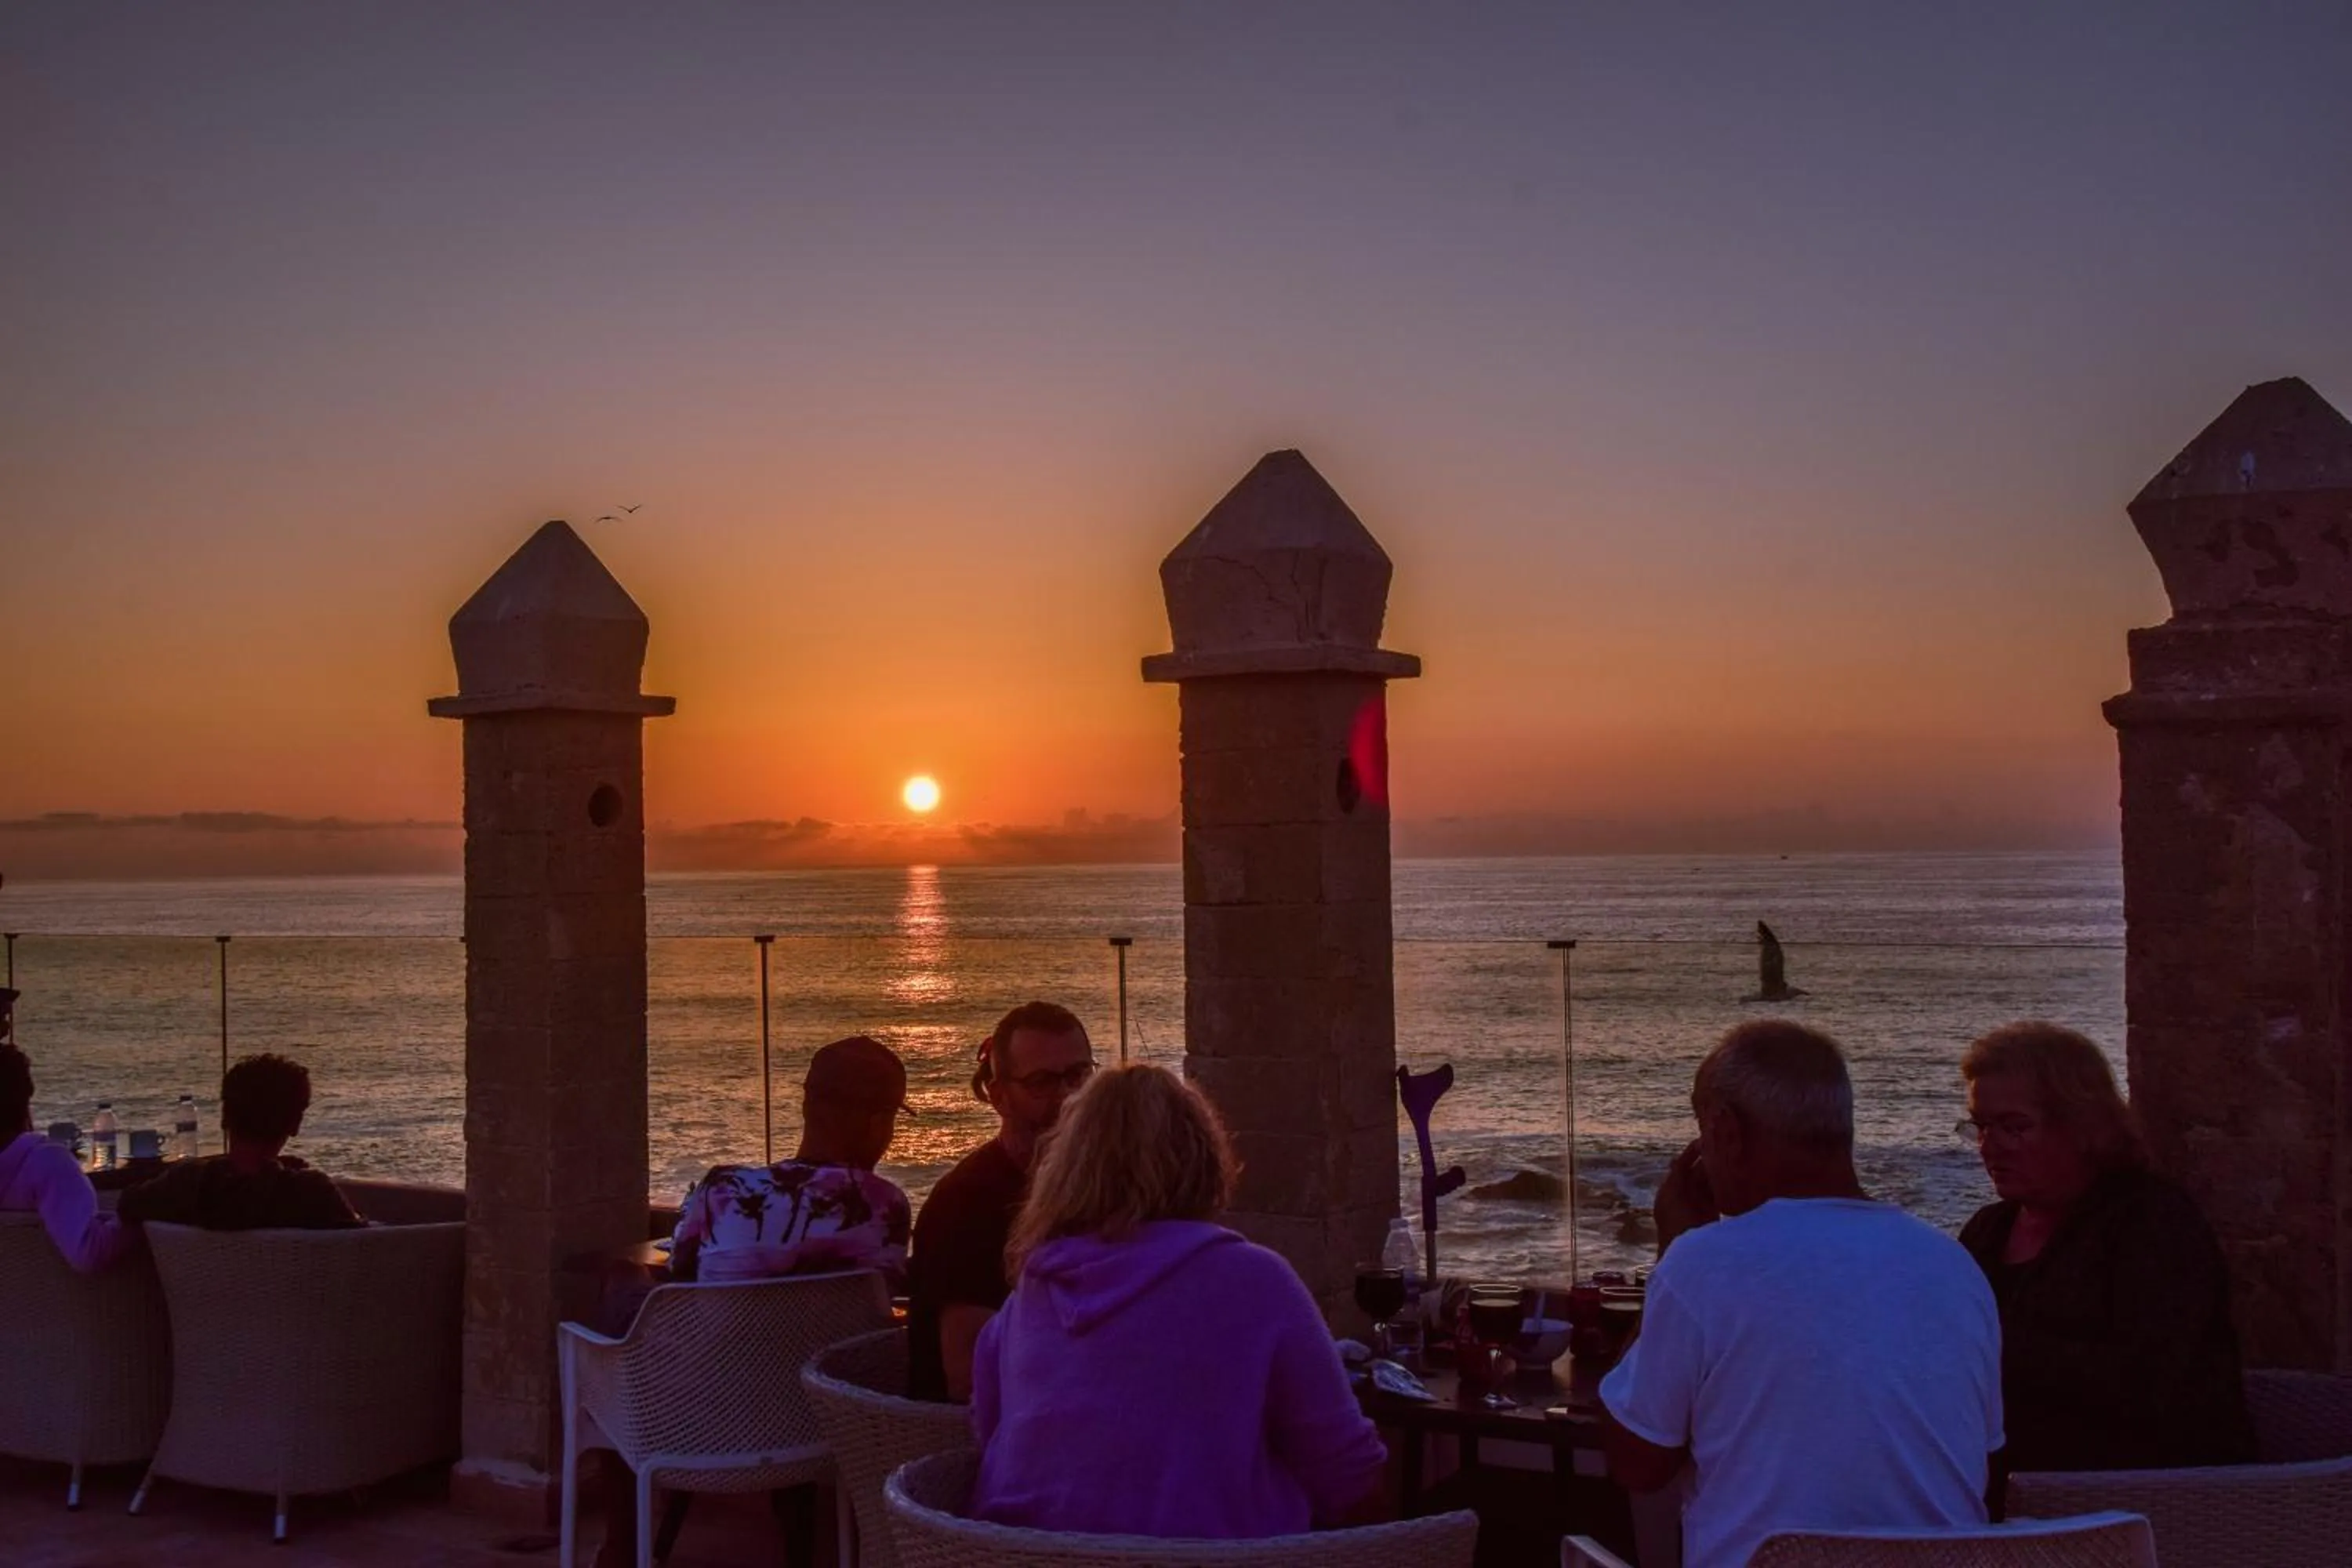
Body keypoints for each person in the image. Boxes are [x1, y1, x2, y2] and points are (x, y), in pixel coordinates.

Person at [1602, 1022, 2002, 1568]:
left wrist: (1674, 1246)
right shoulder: (1954, 1268)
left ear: (1723, 1131)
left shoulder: (1705, 1263)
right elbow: (1981, 1460)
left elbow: (1638, 1464)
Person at [968, 1063, 1387, 1539]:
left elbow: (990, 1432)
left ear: (1067, 1169)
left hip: (1011, 1554)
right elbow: (1349, 1479)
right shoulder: (1254, 1280)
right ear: (1202, 1157)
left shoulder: (1033, 1290)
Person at [1957, 1021, 2254, 1473]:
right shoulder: (1988, 1231)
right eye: (1980, 1127)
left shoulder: (2151, 1223)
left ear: (2081, 1126)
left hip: (2146, 1487)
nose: (1989, 1147)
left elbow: (2149, 1382)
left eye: (2014, 1128)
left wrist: (1986, 1346)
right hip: (2009, 1476)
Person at [906, 1000, 1093, 1401]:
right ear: (999, 1096)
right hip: (981, 1434)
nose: (1068, 1097)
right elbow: (967, 1375)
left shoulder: (1096, 1187)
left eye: (1079, 1075)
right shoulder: (967, 1204)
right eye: (1042, 1081)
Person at [666, 1034, 913, 1286]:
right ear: (878, 1125)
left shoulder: (722, 1190)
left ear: (806, 1106)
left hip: (730, 1326)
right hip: (839, 1327)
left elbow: (679, 1270)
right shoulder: (888, 1205)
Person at [117, 1053, 365, 1229]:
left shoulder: (185, 1185)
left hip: (202, 1303)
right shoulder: (311, 1193)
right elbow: (362, 1242)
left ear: (225, 1118)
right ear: (294, 1124)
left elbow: (126, 1205)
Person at [0, 1042, 132, 1272]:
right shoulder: (46, 1162)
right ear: (26, 1094)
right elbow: (89, 1252)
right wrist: (141, 1215)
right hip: (69, 1303)